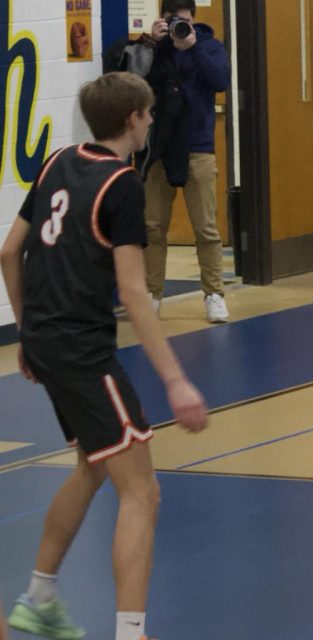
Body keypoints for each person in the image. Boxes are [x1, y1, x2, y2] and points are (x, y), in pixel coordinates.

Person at [0, 72, 209, 640]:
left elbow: (10, 250)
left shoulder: (58, 160)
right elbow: (135, 292)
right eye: (146, 114)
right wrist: (176, 380)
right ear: (133, 120)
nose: (149, 121)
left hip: (48, 340)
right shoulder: (121, 184)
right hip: (84, 351)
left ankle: (40, 597)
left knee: (93, 466)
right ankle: (130, 632)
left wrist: (27, 331)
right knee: (142, 489)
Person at [141, 0, 231, 323]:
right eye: (171, 21)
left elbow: (220, 80)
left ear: (193, 18)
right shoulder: (156, 49)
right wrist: (150, 43)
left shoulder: (209, 46)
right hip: (160, 149)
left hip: (198, 147)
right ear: (162, 19)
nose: (178, 26)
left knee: (206, 227)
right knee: (152, 226)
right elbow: (134, 82)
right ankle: (151, 294)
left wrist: (192, 47)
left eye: (183, 20)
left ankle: (214, 294)